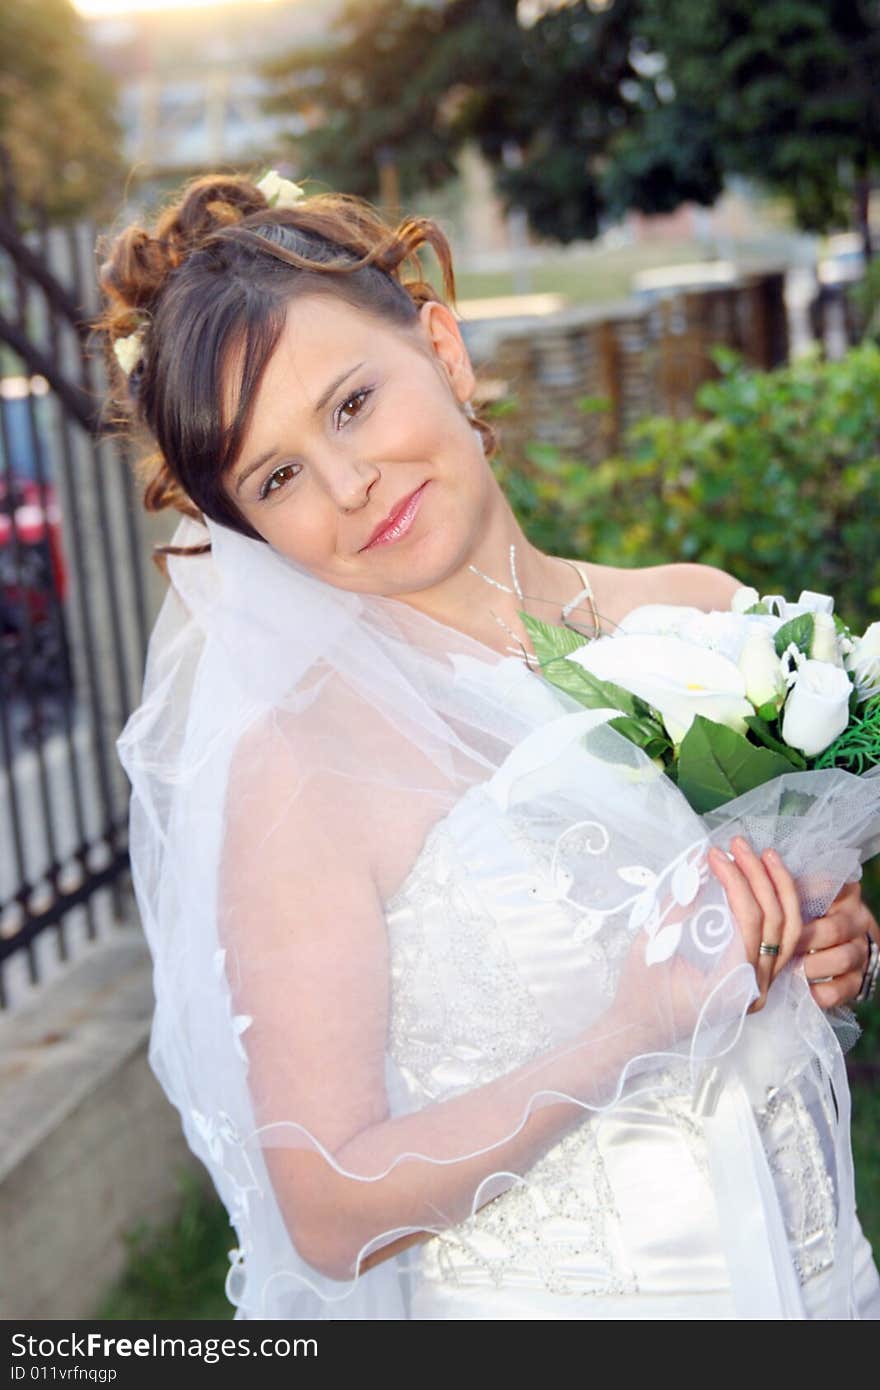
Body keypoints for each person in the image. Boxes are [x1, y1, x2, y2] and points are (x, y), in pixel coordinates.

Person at [96, 169, 880, 1321]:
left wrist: (827, 943)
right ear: (250, 532)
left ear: (445, 351)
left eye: (352, 403)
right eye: (279, 476)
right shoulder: (302, 775)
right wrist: (627, 1032)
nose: (351, 484)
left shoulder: (704, 614)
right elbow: (323, 1206)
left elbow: (782, 943)